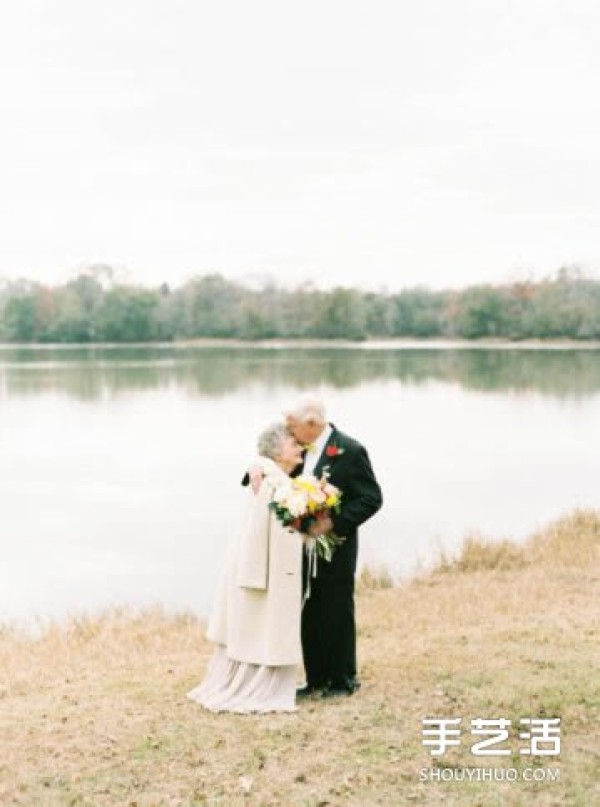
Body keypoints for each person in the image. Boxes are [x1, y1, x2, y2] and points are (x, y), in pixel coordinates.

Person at [249, 398, 383, 699]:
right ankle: (316, 678)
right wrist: (256, 465)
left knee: (336, 609)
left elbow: (371, 498)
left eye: (293, 426)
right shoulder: (299, 449)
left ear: (311, 423)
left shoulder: (349, 450)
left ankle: (342, 679)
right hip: (299, 552)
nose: (289, 432)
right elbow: (274, 464)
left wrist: (332, 524)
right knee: (308, 611)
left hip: (336, 547)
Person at [186, 422, 305, 713]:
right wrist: (253, 578)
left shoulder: (276, 478)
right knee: (263, 626)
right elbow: (255, 534)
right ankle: (261, 684)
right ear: (277, 452)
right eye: (293, 444)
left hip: (277, 568)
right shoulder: (266, 482)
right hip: (266, 571)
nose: (300, 447)